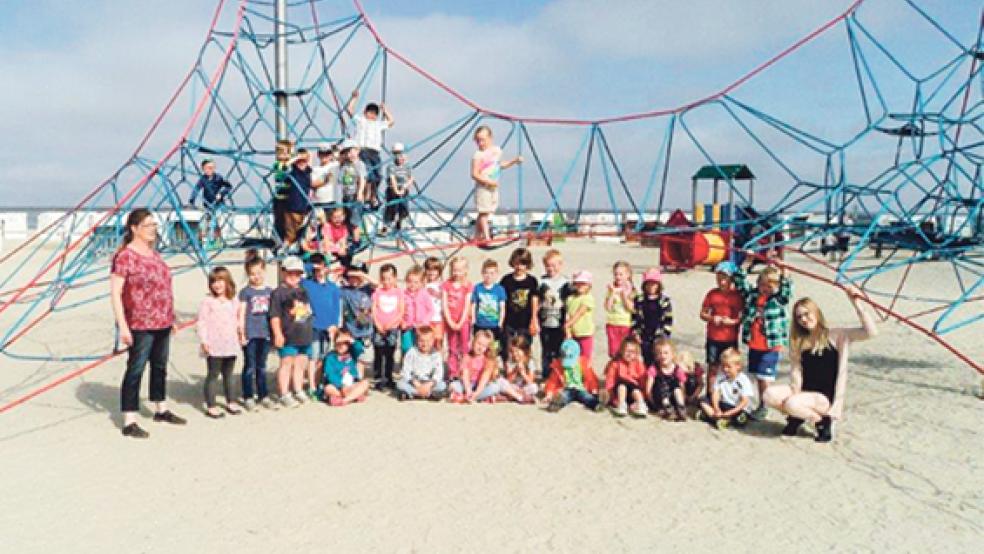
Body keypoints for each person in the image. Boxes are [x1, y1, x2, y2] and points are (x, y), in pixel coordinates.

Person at [764, 285, 877, 443]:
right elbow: (796, 370)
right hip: (804, 392)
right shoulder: (799, 341)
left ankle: (822, 421)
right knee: (769, 395)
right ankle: (800, 416)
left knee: (792, 403)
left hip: (824, 397)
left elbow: (870, 332)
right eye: (799, 317)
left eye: (806, 314)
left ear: (816, 313)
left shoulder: (836, 335)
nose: (803, 319)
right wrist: (795, 389)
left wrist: (856, 303)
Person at [111, 208, 186, 438]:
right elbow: (115, 293)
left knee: (160, 366)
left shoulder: (155, 254)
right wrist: (122, 326)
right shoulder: (125, 256)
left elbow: (164, 288)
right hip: (139, 322)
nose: (153, 229)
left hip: (162, 319)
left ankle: (160, 409)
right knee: (136, 368)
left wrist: (171, 317)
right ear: (134, 229)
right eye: (148, 225)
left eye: (154, 225)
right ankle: (129, 420)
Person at [733, 263, 792, 420]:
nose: (765, 288)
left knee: (764, 378)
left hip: (770, 346)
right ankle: (757, 403)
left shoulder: (777, 300)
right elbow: (740, 282)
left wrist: (785, 273)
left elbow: (786, 293)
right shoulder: (753, 295)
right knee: (755, 376)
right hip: (754, 344)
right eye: (762, 284)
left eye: (770, 285)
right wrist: (745, 263)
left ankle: (765, 405)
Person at [197, 267, 243, 418]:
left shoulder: (233, 300)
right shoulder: (208, 301)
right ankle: (211, 405)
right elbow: (202, 322)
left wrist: (241, 334)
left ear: (227, 281)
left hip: (230, 342)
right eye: (214, 281)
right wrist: (204, 340)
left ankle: (231, 401)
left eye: (220, 281)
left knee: (229, 374)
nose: (217, 285)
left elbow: (238, 319)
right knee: (213, 374)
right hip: (213, 343)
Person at [270, 256, 314, 408]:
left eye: (297, 273)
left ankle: (298, 389)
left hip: (304, 332)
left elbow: (307, 310)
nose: (294, 276)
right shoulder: (278, 293)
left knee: (301, 363)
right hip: (288, 334)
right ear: (283, 272)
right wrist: (277, 334)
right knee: (286, 363)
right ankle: (284, 393)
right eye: (291, 273)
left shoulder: (303, 291)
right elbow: (274, 316)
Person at [470, 125, 522, 243]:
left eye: (482, 139)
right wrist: (488, 181)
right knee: (483, 212)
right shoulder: (478, 155)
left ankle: (477, 236)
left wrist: (514, 161)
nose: (480, 143)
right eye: (477, 140)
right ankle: (487, 237)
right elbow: (474, 174)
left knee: (486, 212)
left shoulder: (496, 151)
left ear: (490, 138)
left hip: (493, 187)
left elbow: (499, 165)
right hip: (483, 187)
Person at [238, 254, 276, 411]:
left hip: (265, 333)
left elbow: (274, 314)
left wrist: (274, 333)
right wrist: (241, 332)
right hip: (251, 333)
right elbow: (241, 313)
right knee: (249, 366)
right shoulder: (246, 292)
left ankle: (263, 394)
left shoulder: (269, 291)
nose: (256, 277)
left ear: (264, 271)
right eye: (252, 274)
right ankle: (248, 396)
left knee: (262, 366)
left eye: (259, 273)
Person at [699, 261, 743, 397]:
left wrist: (732, 322)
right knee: (712, 366)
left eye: (724, 278)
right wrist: (712, 318)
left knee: (730, 367)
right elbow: (703, 313)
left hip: (730, 337)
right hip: (714, 336)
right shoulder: (712, 294)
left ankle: (730, 394)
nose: (721, 281)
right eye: (719, 277)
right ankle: (710, 394)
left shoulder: (737, 296)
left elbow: (742, 316)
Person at [345, 89, 394, 208]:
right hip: (363, 150)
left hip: (375, 152)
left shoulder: (378, 124)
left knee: (377, 176)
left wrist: (385, 110)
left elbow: (391, 121)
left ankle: (373, 197)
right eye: (369, 112)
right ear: (365, 112)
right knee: (367, 175)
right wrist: (354, 98)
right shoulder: (361, 121)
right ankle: (365, 196)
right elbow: (350, 110)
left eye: (374, 113)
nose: (371, 115)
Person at [302, 253, 341, 400]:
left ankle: (318, 384)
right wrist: (314, 266)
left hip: (328, 328)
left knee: (322, 357)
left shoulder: (332, 288)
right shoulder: (307, 284)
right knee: (313, 357)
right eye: (316, 270)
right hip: (313, 326)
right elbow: (301, 269)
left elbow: (336, 309)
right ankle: (312, 386)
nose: (319, 272)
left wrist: (335, 326)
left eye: (322, 268)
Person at [500, 248, 540, 363]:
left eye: (523, 264)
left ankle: (525, 368)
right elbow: (501, 300)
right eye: (517, 263)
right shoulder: (506, 280)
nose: (519, 267)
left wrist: (534, 319)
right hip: (509, 320)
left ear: (528, 265)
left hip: (525, 320)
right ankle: (508, 368)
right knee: (506, 346)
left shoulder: (532, 281)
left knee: (524, 346)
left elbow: (534, 300)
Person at [699, 347, 754, 429]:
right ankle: (717, 418)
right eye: (723, 366)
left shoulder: (743, 380)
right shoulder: (721, 376)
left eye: (728, 367)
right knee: (703, 400)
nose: (725, 369)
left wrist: (730, 412)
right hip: (724, 403)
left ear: (738, 366)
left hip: (737, 407)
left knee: (741, 420)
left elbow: (744, 401)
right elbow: (716, 393)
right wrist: (716, 408)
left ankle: (713, 418)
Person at [340, 262, 377, 381]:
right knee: (350, 357)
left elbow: (376, 284)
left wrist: (361, 274)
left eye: (357, 276)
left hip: (365, 331)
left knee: (363, 359)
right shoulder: (345, 291)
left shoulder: (367, 289)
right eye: (351, 277)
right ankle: (351, 379)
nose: (354, 279)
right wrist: (342, 274)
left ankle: (359, 379)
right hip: (350, 330)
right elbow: (333, 287)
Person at [538, 248, 570, 382]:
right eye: (548, 265)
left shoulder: (565, 283)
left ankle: (557, 374)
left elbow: (569, 304)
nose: (551, 268)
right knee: (546, 350)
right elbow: (537, 301)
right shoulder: (542, 282)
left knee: (559, 349)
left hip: (559, 321)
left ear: (560, 265)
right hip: (545, 320)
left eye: (554, 265)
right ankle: (546, 374)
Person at [371, 263, 405, 390]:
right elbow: (374, 308)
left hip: (392, 327)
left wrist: (391, 324)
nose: (386, 282)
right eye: (383, 278)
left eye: (389, 278)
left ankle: (389, 377)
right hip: (379, 326)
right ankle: (378, 377)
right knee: (378, 352)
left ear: (395, 278)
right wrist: (377, 323)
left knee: (390, 352)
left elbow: (401, 311)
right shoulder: (378, 292)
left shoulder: (399, 293)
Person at [544, 339, 601, 412]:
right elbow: (552, 381)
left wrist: (594, 390)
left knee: (586, 397)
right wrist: (549, 393)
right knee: (564, 396)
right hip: (567, 388)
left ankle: (596, 405)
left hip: (581, 388)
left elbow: (591, 378)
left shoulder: (584, 364)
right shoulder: (558, 366)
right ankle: (555, 404)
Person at [632, 267, 673, 368]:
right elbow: (634, 317)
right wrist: (636, 332)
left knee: (659, 359)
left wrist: (664, 335)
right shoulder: (639, 300)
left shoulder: (664, 301)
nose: (651, 286)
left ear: (659, 285)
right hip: (643, 334)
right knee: (644, 359)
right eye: (648, 284)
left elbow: (668, 319)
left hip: (658, 334)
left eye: (654, 284)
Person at [188, 159, 232, 246]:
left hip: (218, 204)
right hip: (207, 205)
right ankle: (206, 241)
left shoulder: (218, 177)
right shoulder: (202, 179)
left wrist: (221, 194)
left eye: (212, 168)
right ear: (203, 169)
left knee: (215, 221)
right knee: (204, 223)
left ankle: (216, 241)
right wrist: (192, 200)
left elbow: (229, 186)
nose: (211, 170)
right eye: (208, 168)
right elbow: (196, 189)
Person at [396, 325, 447, 401]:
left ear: (433, 341)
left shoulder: (436, 355)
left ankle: (413, 394)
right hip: (414, 382)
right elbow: (406, 371)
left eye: (428, 341)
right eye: (422, 341)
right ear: (417, 340)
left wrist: (429, 384)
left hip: (429, 382)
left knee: (442, 385)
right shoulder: (411, 352)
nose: (425, 344)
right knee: (400, 384)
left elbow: (438, 373)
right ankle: (426, 394)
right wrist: (416, 383)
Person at [442, 257, 473, 380]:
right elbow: (444, 304)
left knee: (464, 348)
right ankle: (452, 372)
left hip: (463, 321)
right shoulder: (446, 285)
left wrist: (461, 322)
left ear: (465, 270)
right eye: (455, 270)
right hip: (450, 320)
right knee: (452, 347)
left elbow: (467, 305)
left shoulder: (468, 286)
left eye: (460, 270)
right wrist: (449, 320)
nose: (457, 273)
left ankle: (464, 371)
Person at [321, 329, 370, 406]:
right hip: (337, 386)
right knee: (328, 388)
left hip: (351, 384)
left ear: (348, 344)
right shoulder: (330, 357)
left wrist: (349, 339)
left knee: (365, 383)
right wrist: (341, 385)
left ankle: (345, 400)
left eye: (344, 343)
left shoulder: (352, 353)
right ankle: (355, 395)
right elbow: (330, 374)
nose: (341, 346)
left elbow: (359, 348)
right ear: (335, 343)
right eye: (339, 343)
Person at [449, 329, 500, 403]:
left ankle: (467, 398)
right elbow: (465, 375)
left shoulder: (488, 360)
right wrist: (468, 390)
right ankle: (478, 397)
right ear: (473, 342)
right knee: (453, 385)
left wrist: (477, 392)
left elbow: (485, 378)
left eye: (484, 346)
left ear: (487, 348)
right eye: (479, 343)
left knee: (495, 387)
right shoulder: (467, 357)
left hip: (481, 386)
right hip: (467, 384)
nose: (480, 347)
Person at [603, 336, 648, 418]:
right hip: (619, 393)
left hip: (633, 393)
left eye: (633, 352)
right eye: (627, 351)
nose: (630, 354)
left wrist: (644, 395)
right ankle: (621, 405)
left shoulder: (638, 364)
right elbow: (610, 380)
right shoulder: (615, 363)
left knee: (635, 388)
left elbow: (643, 380)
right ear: (621, 351)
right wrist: (610, 395)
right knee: (622, 384)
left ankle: (640, 404)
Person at [646, 337, 687, 421]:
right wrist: (653, 403)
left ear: (672, 355)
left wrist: (683, 398)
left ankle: (680, 407)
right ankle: (667, 408)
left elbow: (682, 387)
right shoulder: (654, 368)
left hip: (673, 396)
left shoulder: (677, 369)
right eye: (659, 353)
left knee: (676, 385)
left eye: (666, 353)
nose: (663, 356)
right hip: (659, 397)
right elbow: (648, 389)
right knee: (661, 384)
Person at [471, 259, 506, 355]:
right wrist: (473, 320)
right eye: (486, 273)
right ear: (482, 273)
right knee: (479, 347)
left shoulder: (499, 289)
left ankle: (492, 366)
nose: (489, 276)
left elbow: (502, 307)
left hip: (494, 324)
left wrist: (500, 322)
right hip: (480, 324)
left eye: (492, 273)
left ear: (496, 274)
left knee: (493, 348)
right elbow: (474, 305)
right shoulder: (477, 288)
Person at [282, 149, 314, 249]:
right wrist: (297, 157)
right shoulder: (293, 171)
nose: (302, 163)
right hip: (292, 207)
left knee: (303, 232)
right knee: (291, 233)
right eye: (299, 161)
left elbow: (310, 162)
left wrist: (307, 157)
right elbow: (285, 166)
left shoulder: (307, 172)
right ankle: (284, 250)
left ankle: (297, 248)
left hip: (304, 207)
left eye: (304, 161)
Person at [337, 140, 368, 245]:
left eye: (351, 151)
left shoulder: (359, 164)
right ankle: (348, 240)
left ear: (357, 151)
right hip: (345, 196)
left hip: (354, 196)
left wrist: (360, 192)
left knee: (354, 221)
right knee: (345, 220)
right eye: (347, 152)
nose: (349, 155)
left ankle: (356, 241)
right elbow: (340, 179)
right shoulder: (344, 165)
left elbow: (362, 179)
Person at [401, 265, 435, 354]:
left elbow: (431, 310)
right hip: (407, 326)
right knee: (406, 347)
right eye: (409, 281)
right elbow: (399, 309)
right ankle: (406, 364)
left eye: (416, 282)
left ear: (421, 283)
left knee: (420, 347)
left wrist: (424, 322)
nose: (412, 284)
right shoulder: (403, 294)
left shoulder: (424, 294)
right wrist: (402, 321)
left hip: (421, 327)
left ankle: (419, 366)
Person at [604, 260, 635, 358]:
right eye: (616, 274)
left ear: (628, 275)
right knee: (614, 352)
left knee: (626, 350)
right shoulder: (611, 289)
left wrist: (623, 295)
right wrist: (612, 293)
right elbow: (607, 307)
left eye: (621, 274)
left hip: (626, 324)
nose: (618, 277)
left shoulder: (631, 290)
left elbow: (631, 308)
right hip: (613, 324)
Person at [383, 142, 412, 246]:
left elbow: (411, 178)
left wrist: (404, 188)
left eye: (401, 154)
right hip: (392, 191)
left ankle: (399, 239)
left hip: (403, 191)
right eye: (396, 154)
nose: (399, 157)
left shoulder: (407, 166)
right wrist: (397, 191)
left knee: (402, 213)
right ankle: (385, 226)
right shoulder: (391, 166)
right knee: (391, 210)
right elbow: (392, 179)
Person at [495, 335, 538, 404]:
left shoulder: (530, 362)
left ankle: (510, 397)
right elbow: (508, 380)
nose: (514, 354)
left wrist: (523, 373)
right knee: (500, 381)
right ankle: (520, 398)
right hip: (512, 387)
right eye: (512, 351)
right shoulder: (510, 362)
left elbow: (530, 381)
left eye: (517, 351)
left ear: (525, 351)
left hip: (523, 388)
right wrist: (515, 370)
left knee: (534, 387)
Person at [564, 270, 596, 361]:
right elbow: (568, 314)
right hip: (573, 333)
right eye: (577, 283)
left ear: (589, 285)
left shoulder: (588, 298)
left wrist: (568, 324)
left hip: (585, 332)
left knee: (585, 357)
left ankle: (586, 374)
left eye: (583, 283)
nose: (580, 286)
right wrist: (568, 330)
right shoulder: (570, 298)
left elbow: (580, 313)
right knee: (573, 356)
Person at [271, 139, 295, 252]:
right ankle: (278, 241)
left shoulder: (289, 163)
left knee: (288, 222)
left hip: (288, 198)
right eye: (281, 153)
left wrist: (292, 149)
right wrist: (293, 155)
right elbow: (285, 170)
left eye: (286, 153)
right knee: (279, 221)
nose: (284, 155)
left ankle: (286, 241)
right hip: (279, 199)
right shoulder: (278, 165)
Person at [423, 257, 446, 349]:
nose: (431, 272)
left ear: (439, 271)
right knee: (427, 342)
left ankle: (438, 361)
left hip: (439, 319)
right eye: (429, 269)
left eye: (435, 270)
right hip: (427, 319)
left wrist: (437, 294)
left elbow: (446, 297)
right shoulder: (423, 285)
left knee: (438, 342)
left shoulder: (442, 285)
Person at [310, 142, 339, 208]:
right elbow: (313, 184)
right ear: (318, 155)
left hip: (332, 201)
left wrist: (335, 147)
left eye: (327, 153)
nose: (324, 156)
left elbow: (341, 156)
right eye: (322, 153)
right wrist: (326, 179)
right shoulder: (314, 169)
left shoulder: (335, 165)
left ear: (331, 155)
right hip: (318, 202)